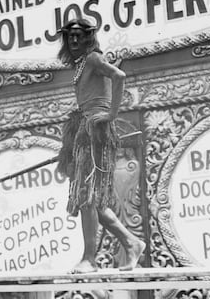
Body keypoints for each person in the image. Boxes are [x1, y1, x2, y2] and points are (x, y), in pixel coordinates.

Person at [57, 18, 146, 273]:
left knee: (88, 198)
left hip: (96, 132)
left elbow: (119, 75)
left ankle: (89, 259)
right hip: (86, 131)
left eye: (78, 36)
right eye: (69, 36)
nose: (73, 41)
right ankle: (131, 243)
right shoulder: (81, 63)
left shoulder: (94, 58)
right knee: (94, 201)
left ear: (87, 37)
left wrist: (110, 115)